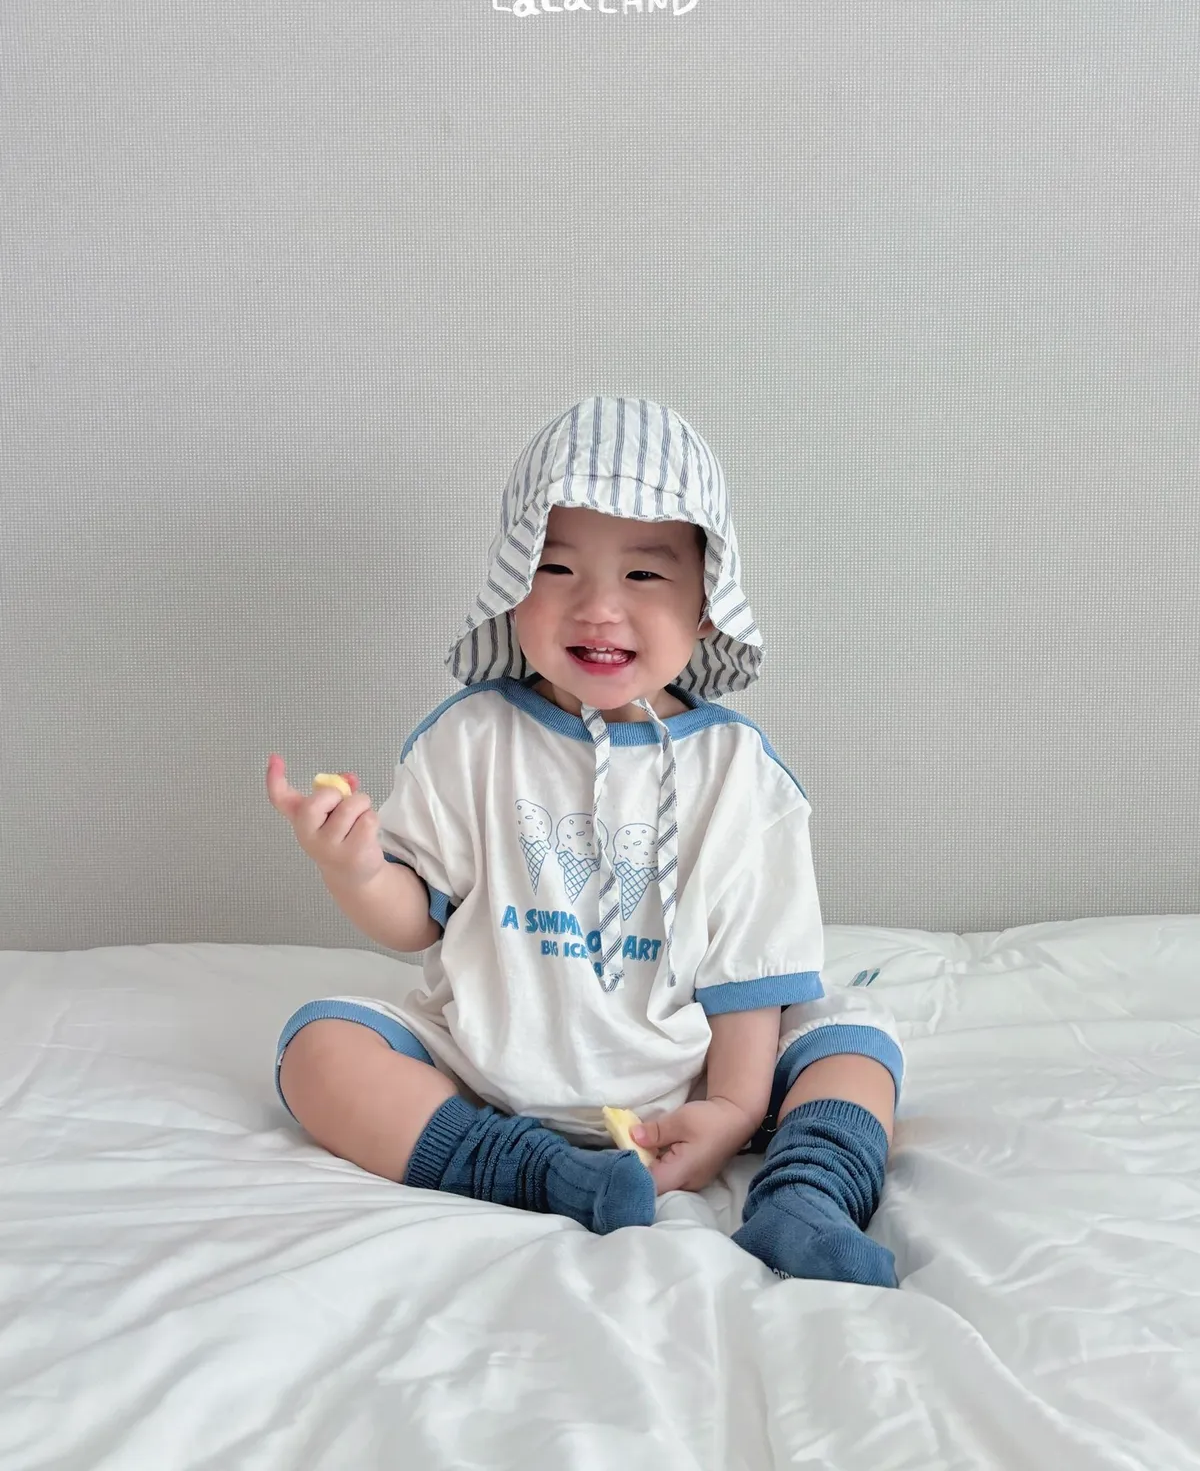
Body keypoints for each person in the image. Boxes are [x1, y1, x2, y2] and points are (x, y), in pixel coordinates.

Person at [267, 396, 903, 1285]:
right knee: (318, 1051)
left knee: (855, 1043)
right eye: (557, 567)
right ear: (513, 584)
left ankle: (807, 1198)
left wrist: (731, 1109)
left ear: (707, 607)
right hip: (486, 1071)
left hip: (691, 1076)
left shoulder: (738, 774)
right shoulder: (471, 741)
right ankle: (534, 1171)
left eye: (643, 575)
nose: (599, 607)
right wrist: (356, 868)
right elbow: (416, 922)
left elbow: (752, 975)